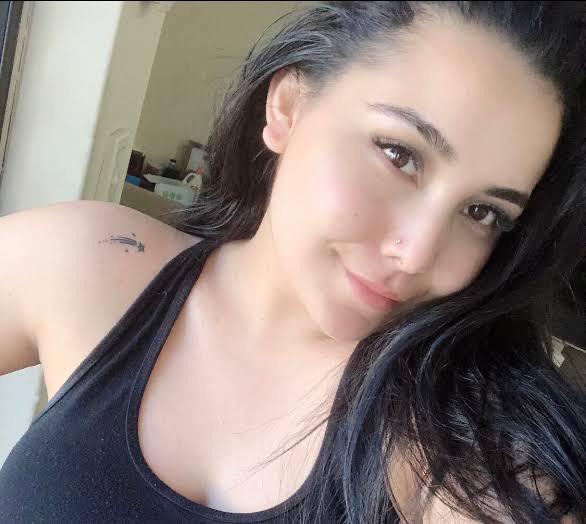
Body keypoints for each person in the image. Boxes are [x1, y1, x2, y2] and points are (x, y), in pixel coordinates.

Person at [0, 1, 584, 522]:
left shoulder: (464, 453)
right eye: (399, 154)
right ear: (288, 106)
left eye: (483, 213)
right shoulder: (91, 264)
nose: (417, 254)